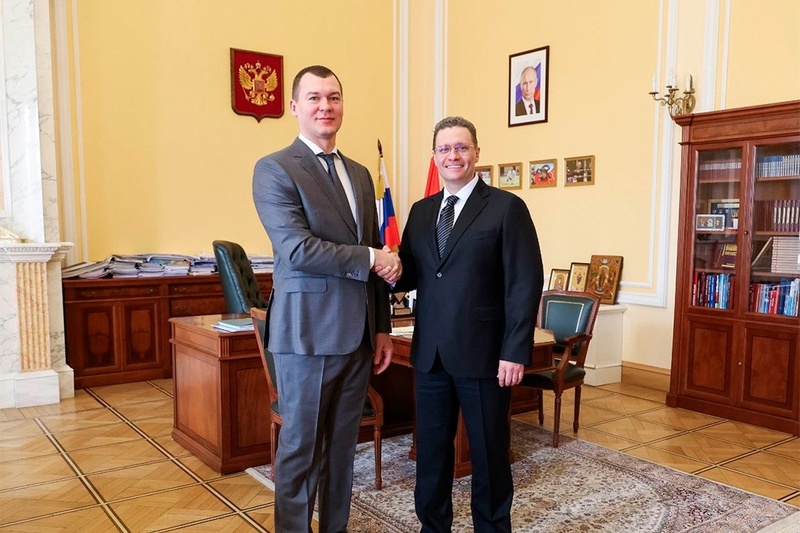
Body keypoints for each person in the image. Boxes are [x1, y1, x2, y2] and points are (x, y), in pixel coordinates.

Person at [252, 64, 401, 533]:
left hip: (358, 337)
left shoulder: (359, 174)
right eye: (314, 98)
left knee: (342, 451)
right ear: (295, 107)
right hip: (306, 335)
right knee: (301, 451)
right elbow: (297, 249)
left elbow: (371, 260)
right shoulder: (275, 168)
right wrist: (372, 256)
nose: (325, 106)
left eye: (333, 97)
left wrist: (381, 328)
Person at [391, 116, 544, 532]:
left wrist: (515, 350)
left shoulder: (506, 208)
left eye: (461, 147)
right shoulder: (422, 211)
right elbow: (412, 273)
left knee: (490, 455)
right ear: (434, 156)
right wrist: (386, 266)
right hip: (431, 356)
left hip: (485, 356)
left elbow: (524, 283)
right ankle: (433, 527)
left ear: (477, 152)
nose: (453, 155)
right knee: (431, 455)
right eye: (444, 149)